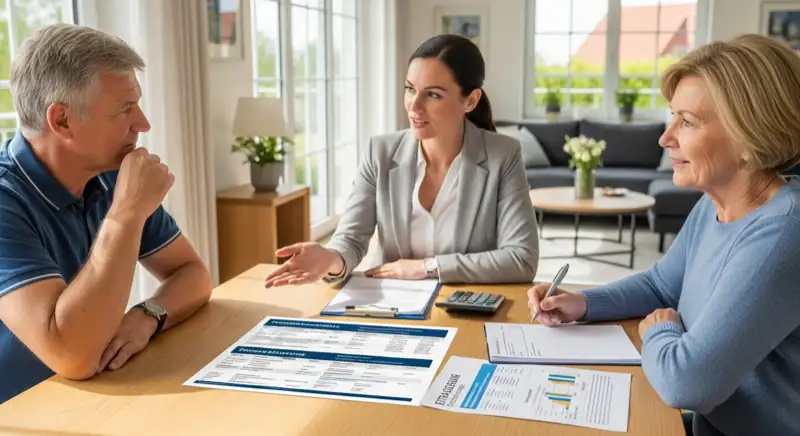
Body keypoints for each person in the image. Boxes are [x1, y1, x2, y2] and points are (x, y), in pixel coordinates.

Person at [527, 34, 800, 436]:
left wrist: (659, 330)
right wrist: (583, 303)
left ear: (750, 136)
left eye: (686, 122)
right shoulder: (714, 204)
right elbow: (660, 285)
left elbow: (688, 383)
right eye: (672, 117)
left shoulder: (783, 232)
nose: (665, 137)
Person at [0, 24, 213, 404]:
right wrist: (126, 215)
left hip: (93, 398)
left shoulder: (110, 174)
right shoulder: (6, 201)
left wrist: (149, 315)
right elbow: (73, 356)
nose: (143, 124)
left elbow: (192, 274)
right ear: (62, 120)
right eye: (125, 109)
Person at [264, 34, 539, 287]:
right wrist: (332, 259)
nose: (413, 106)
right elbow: (351, 238)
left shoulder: (503, 156)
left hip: (464, 306)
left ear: (470, 100)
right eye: (410, 89)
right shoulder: (380, 152)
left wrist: (427, 267)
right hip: (391, 304)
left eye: (433, 94)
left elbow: (522, 258)